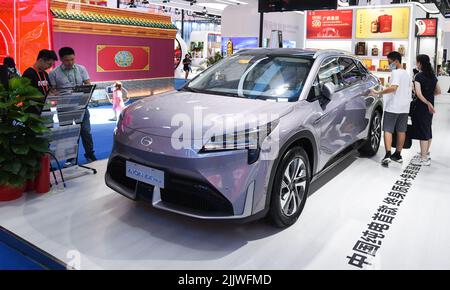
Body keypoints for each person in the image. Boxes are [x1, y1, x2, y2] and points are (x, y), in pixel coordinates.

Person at [49, 47, 97, 163]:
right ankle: (70, 157)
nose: (70, 62)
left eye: (72, 59)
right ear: (60, 59)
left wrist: (86, 91)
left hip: (81, 105)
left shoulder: (81, 69)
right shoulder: (53, 73)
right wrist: (55, 95)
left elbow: (88, 84)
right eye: (67, 60)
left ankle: (89, 153)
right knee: (68, 133)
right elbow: (53, 90)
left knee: (85, 131)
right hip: (64, 107)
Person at [370, 51, 412, 167]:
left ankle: (387, 154)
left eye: (389, 62)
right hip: (404, 107)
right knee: (401, 130)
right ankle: (398, 154)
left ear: (396, 61)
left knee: (388, 129)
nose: (388, 64)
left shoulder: (396, 73)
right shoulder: (406, 74)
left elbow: (393, 88)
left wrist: (378, 92)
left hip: (393, 106)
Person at [410, 54, 441, 166]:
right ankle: (425, 152)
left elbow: (418, 94)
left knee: (423, 131)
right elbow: (438, 91)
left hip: (421, 107)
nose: (416, 64)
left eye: (417, 62)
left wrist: (426, 102)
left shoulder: (418, 76)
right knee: (427, 128)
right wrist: (429, 99)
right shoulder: (433, 76)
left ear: (420, 63)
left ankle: (423, 158)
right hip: (430, 107)